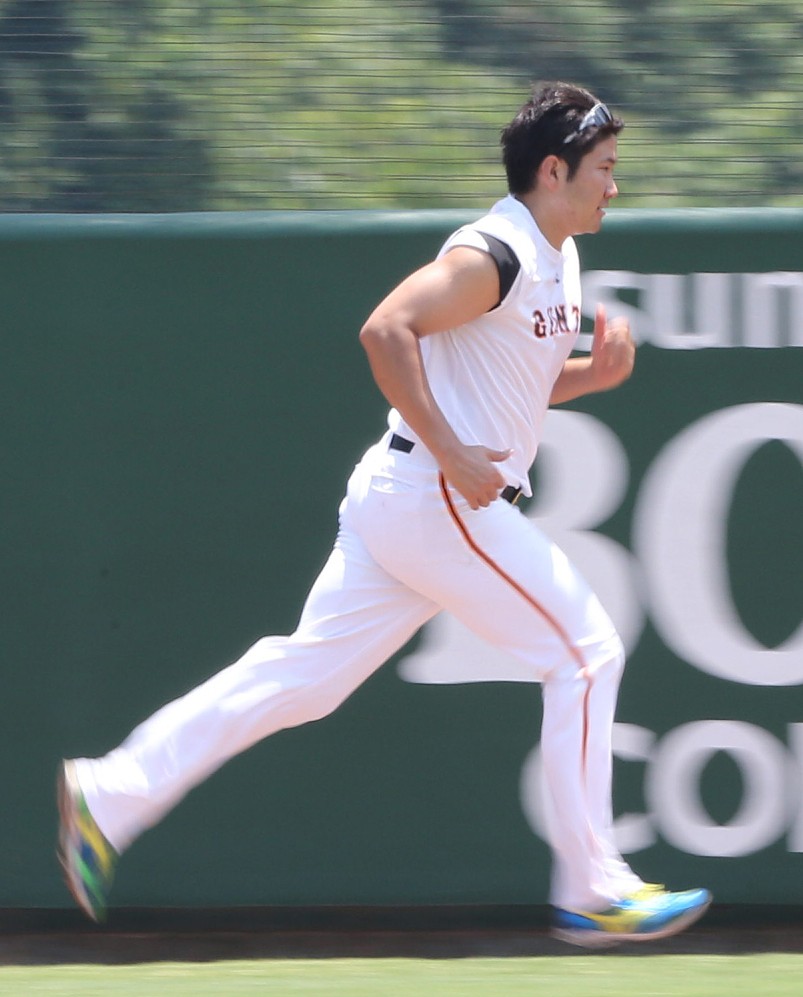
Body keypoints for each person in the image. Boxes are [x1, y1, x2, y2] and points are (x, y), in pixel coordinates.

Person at [58, 81, 711, 946]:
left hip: (405, 499)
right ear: (552, 170)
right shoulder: (495, 253)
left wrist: (585, 379)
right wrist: (448, 449)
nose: (613, 187)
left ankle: (110, 792)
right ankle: (593, 887)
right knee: (586, 654)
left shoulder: (556, 253)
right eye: (602, 169)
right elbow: (385, 329)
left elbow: (501, 384)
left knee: (305, 680)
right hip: (433, 498)